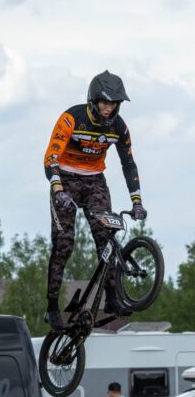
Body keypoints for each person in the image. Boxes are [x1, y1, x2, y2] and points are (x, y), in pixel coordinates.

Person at [42, 71, 144, 331]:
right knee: (65, 242)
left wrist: (137, 201)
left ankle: (112, 297)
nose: (109, 108)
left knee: (106, 238)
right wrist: (57, 189)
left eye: (114, 104)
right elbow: (50, 158)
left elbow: (128, 164)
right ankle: (52, 306)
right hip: (65, 179)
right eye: (105, 102)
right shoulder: (71, 118)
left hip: (95, 181)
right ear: (93, 100)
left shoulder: (119, 128)